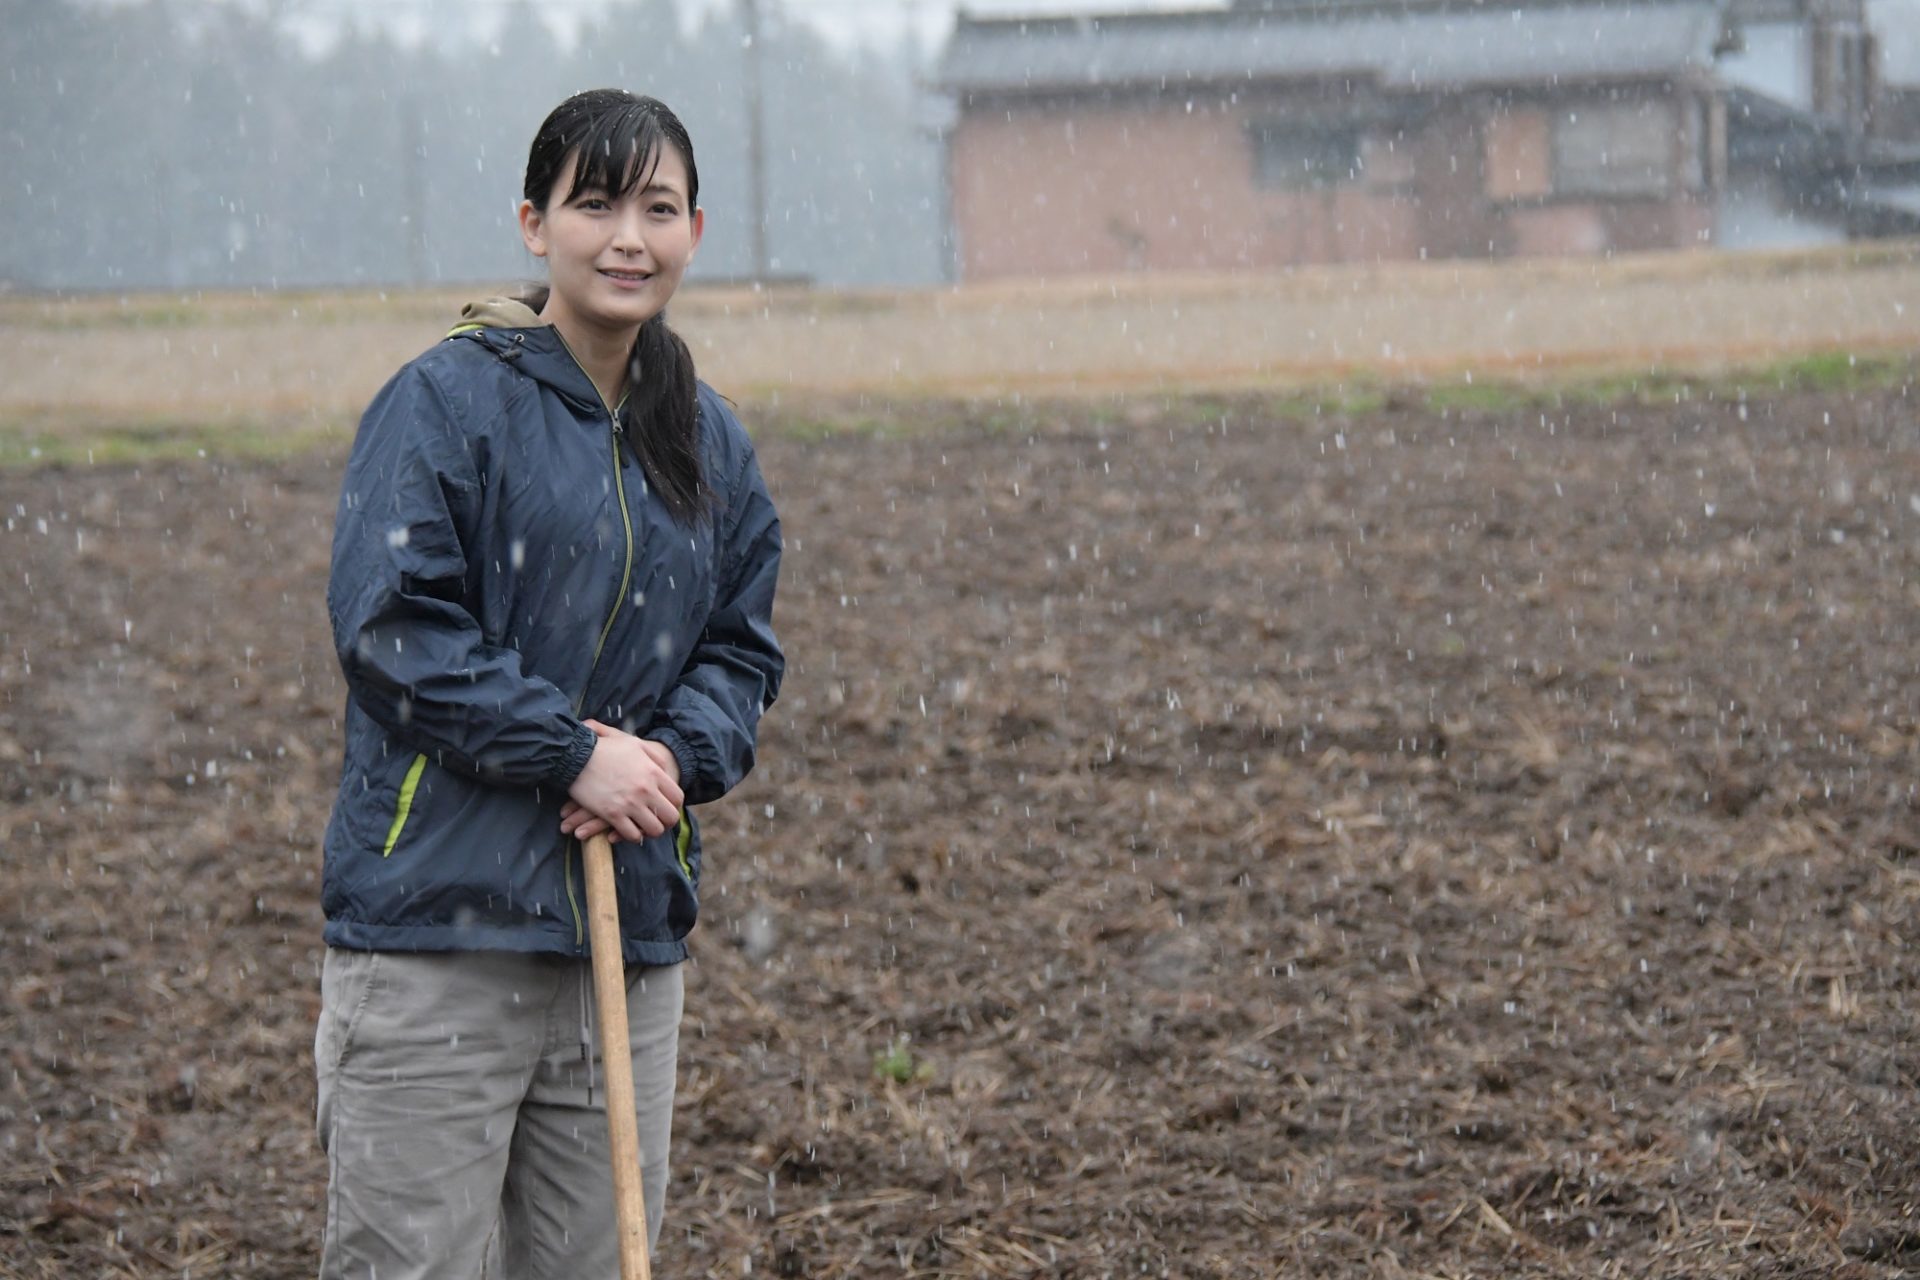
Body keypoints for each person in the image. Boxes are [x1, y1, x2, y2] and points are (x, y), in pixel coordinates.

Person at [314, 88, 783, 1278]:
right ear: (535, 224)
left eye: (660, 208)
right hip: (437, 941)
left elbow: (740, 646)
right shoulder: (447, 402)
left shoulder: (708, 440)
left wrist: (671, 759)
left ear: (696, 232)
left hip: (623, 949)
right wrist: (573, 751)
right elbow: (393, 629)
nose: (630, 235)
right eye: (597, 203)